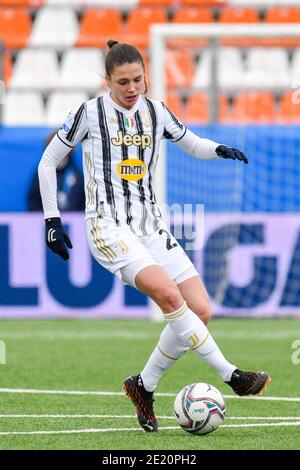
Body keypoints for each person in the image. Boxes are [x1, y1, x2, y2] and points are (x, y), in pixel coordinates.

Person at [38, 40, 271, 433]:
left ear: (146, 76)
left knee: (201, 310)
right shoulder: (89, 113)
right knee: (169, 296)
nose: (131, 89)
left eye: (138, 80)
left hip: (151, 226)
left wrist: (220, 149)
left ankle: (142, 386)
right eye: (123, 82)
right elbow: (48, 161)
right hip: (107, 226)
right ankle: (233, 376)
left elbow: (191, 143)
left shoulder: (155, 110)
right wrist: (52, 220)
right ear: (106, 80)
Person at [28, 130, 85, 212]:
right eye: (55, 150)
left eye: (63, 149)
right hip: (47, 222)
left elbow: (85, 202)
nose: (59, 154)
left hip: (75, 222)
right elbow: (33, 202)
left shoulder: (78, 174)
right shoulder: (40, 173)